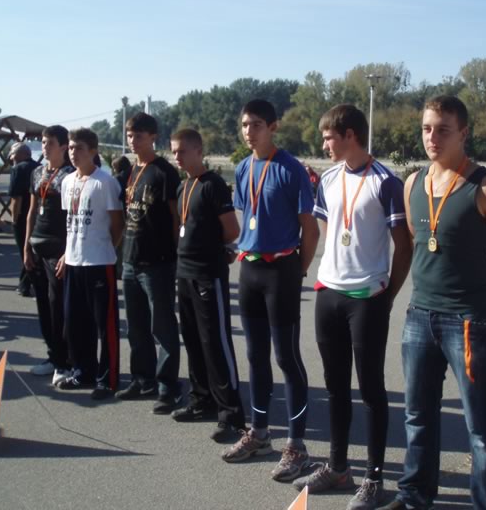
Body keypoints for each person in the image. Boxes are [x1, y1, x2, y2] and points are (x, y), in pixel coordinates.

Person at [380, 95, 486, 510]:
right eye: (427, 129)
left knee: (482, 426)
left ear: (464, 133)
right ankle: (414, 495)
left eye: (443, 129)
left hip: (468, 322)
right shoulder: (413, 183)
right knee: (417, 416)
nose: (433, 137)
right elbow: (417, 243)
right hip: (419, 317)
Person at [292, 105, 412, 510]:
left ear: (350, 135)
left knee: (372, 390)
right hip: (329, 293)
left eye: (329, 137)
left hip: (368, 298)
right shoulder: (328, 178)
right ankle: (338, 467)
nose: (324, 144)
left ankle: (374, 478)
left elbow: (404, 246)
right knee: (335, 386)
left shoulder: (386, 183)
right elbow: (333, 231)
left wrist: (388, 294)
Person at [222, 99, 320, 482]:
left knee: (286, 358)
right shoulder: (242, 168)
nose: (249, 132)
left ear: (273, 127)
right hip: (249, 268)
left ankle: (297, 445)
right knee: (255, 356)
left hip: (281, 270)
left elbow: (310, 229)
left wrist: (299, 269)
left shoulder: (291, 169)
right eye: (245, 124)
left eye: (257, 125)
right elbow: (248, 216)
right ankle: (260, 433)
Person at [169, 128, 247, 443]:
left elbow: (231, 230)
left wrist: (215, 249)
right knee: (193, 340)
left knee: (216, 343)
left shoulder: (213, 185)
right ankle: (201, 399)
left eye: (182, 151)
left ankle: (231, 415)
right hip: (184, 272)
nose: (176, 156)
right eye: (174, 151)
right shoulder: (183, 185)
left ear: (198, 151)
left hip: (207, 274)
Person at [114, 113, 183, 415]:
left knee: (163, 327)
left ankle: (168, 387)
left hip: (158, 261)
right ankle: (142, 379)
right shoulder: (133, 170)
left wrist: (176, 256)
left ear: (153, 137)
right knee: (136, 326)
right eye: (129, 135)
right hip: (131, 259)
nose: (133, 140)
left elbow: (175, 217)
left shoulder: (165, 172)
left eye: (138, 135)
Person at [55, 128, 123, 400]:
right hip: (74, 262)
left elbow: (117, 224)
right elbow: (69, 224)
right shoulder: (67, 181)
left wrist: (106, 248)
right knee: (75, 323)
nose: (74, 153)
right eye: (71, 148)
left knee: (104, 325)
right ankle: (83, 370)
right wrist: (66, 254)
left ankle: (108, 379)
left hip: (99, 262)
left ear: (93, 151)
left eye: (80, 148)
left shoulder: (105, 182)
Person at [24, 126, 74, 386]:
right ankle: (53, 356)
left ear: (64, 146)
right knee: (43, 305)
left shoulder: (70, 175)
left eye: (50, 142)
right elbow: (31, 211)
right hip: (38, 246)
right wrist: (26, 247)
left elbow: (73, 217)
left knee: (58, 307)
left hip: (58, 248)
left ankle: (65, 362)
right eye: (43, 142)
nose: (45, 147)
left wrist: (68, 252)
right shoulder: (37, 172)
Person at [9, 142, 38, 297]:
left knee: (25, 252)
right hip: (39, 216)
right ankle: (24, 283)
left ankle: (30, 284)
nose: (11, 158)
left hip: (23, 216)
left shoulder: (18, 169)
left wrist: (14, 218)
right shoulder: (40, 167)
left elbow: (16, 198)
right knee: (33, 251)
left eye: (12, 155)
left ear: (22, 154)